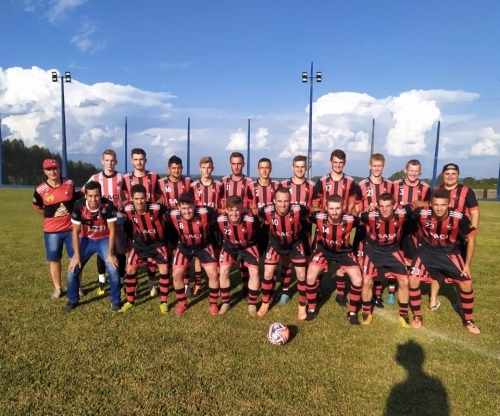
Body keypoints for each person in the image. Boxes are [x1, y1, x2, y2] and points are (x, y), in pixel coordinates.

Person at [409, 188, 480, 334]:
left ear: (449, 204)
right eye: (436, 205)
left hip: (450, 253)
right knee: (413, 280)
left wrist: (467, 264)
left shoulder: (459, 216)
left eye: (443, 205)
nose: (439, 208)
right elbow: (407, 211)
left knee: (466, 284)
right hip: (426, 252)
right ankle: (417, 316)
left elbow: (471, 238)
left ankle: (469, 320)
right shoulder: (422, 213)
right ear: (430, 204)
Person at [428, 163, 480, 312]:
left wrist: (472, 233)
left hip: (460, 238)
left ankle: (460, 301)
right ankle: (433, 300)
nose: (450, 176)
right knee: (437, 270)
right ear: (442, 175)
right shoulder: (436, 190)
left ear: (458, 175)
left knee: (461, 270)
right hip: (440, 237)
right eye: (447, 174)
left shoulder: (466, 191)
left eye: (453, 174)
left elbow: (474, 212)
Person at [357, 193, 414, 327]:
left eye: (388, 206)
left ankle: (403, 314)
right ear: (377, 206)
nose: (384, 209)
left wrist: (425, 204)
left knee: (404, 281)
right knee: (366, 281)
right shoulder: (369, 216)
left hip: (393, 251)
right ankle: (366, 312)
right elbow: (356, 214)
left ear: (394, 206)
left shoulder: (402, 213)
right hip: (373, 251)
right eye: (381, 206)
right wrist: (365, 208)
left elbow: (414, 205)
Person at [62, 181, 120, 312]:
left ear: (101, 194)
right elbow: (75, 232)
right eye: (90, 196)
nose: (94, 199)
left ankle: (115, 301)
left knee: (113, 268)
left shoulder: (108, 205)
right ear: (86, 196)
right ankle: (72, 300)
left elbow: (112, 230)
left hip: (104, 238)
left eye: (97, 195)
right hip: (86, 239)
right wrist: (76, 257)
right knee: (72, 270)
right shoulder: (79, 206)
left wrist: (110, 254)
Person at [306, 195, 363, 324]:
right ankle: (311, 309)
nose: (334, 212)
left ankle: (352, 312)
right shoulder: (318, 216)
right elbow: (305, 218)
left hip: (344, 252)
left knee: (358, 279)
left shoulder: (351, 219)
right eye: (331, 208)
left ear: (343, 207)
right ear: (326, 207)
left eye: (338, 208)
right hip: (323, 251)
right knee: (310, 276)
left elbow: (366, 221)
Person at [312, 149, 357, 306]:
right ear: (330, 162)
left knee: (340, 261)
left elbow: (352, 204)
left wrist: (346, 217)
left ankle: (340, 294)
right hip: (324, 226)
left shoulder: (350, 181)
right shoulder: (322, 181)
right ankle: (317, 291)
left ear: (344, 163)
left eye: (341, 163)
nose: (338, 165)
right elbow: (315, 204)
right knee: (320, 259)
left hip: (342, 226)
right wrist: (324, 218)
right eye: (335, 162)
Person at [257, 186, 309, 319]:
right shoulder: (265, 211)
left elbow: (308, 217)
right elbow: (260, 217)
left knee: (302, 274)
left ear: (290, 201)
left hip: (295, 245)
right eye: (279, 201)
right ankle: (264, 303)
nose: (283, 205)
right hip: (275, 244)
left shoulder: (299, 210)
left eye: (286, 201)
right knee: (268, 273)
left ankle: (302, 307)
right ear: (274, 201)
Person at [119, 185, 170, 313]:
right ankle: (130, 301)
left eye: (142, 198)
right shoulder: (126, 209)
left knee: (164, 269)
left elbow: (171, 216)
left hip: (158, 244)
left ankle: (163, 302)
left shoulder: (157, 208)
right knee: (130, 269)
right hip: (139, 245)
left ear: (146, 197)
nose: (139, 201)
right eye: (136, 199)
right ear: (132, 198)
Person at [82, 149, 127, 295]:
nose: (110, 163)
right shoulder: (95, 178)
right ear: (102, 161)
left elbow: (128, 196)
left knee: (120, 251)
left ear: (116, 162)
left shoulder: (122, 178)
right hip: (100, 221)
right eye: (107, 160)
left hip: (117, 220)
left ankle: (121, 279)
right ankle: (102, 279)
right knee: (101, 250)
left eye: (112, 160)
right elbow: (83, 194)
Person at [33, 158, 79, 299]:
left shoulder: (69, 183)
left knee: (75, 258)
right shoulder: (40, 189)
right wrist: (50, 215)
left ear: (59, 169)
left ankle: (76, 287)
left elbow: (73, 201)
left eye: (55, 168)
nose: (52, 172)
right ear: (44, 171)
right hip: (52, 231)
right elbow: (36, 207)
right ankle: (58, 289)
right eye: (49, 169)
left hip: (71, 229)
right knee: (54, 259)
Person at [168, 192, 219, 315]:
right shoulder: (172, 214)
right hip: (184, 246)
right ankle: (182, 303)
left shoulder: (205, 211)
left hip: (204, 246)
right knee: (176, 274)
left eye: (189, 207)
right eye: (184, 208)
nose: (187, 211)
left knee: (213, 273)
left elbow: (217, 219)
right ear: (178, 207)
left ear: (194, 205)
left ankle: (213, 304)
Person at [354, 153, 393, 308]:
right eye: (374, 165)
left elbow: (394, 205)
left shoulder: (389, 185)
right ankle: (360, 294)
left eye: (379, 166)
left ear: (384, 166)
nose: (377, 168)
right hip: (364, 229)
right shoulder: (361, 184)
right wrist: (365, 208)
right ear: (369, 166)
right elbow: (356, 208)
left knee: (379, 264)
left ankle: (377, 295)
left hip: (382, 230)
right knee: (360, 261)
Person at [391, 159, 431, 306]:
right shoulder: (395, 184)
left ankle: (407, 291)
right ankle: (391, 291)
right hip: (396, 225)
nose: (413, 173)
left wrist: (418, 203)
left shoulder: (425, 187)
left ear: (419, 172)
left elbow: (430, 204)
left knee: (409, 259)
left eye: (416, 171)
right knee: (393, 257)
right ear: (405, 170)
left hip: (414, 227)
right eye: (411, 170)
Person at [122, 148, 161, 296]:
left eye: (141, 159)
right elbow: (124, 196)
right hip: (133, 220)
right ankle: (135, 281)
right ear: (132, 161)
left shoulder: (154, 176)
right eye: (136, 159)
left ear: (145, 160)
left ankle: (151, 282)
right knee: (132, 251)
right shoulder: (126, 178)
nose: (139, 162)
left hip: (150, 219)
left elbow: (158, 194)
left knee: (151, 252)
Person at [278, 155, 315, 305]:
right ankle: (285, 291)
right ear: (292, 167)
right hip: (287, 228)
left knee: (306, 260)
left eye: (302, 166)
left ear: (306, 168)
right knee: (286, 260)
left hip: (305, 228)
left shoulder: (312, 185)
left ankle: (307, 291)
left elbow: (316, 206)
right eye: (297, 166)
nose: (300, 169)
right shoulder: (284, 184)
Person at [218, 196, 261, 316]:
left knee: (254, 272)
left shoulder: (251, 219)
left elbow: (259, 231)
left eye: (237, 210)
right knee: (223, 271)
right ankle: (226, 302)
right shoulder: (220, 219)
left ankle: (252, 304)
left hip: (248, 246)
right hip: (229, 246)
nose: (234, 213)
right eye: (231, 210)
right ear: (226, 210)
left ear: (242, 209)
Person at [158, 155, 194, 297]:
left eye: (179, 168)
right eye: (174, 168)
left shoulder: (188, 181)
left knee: (184, 253)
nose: (176, 170)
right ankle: (167, 282)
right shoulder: (161, 182)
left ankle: (186, 284)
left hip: (183, 223)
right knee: (167, 252)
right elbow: (154, 197)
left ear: (182, 168)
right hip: (168, 223)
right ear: (169, 169)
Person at [221, 152, 254, 297]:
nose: (236, 167)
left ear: (243, 164)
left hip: (244, 223)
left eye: (239, 163)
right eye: (233, 164)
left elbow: (252, 204)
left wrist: (245, 213)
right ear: (230, 164)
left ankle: (246, 287)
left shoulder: (249, 182)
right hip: (228, 224)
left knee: (245, 256)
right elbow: (220, 202)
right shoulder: (223, 181)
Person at [191, 156, 224, 296]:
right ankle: (198, 284)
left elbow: (222, 204)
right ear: (199, 168)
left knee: (216, 253)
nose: (206, 170)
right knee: (199, 255)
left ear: (213, 168)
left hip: (215, 226)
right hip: (199, 225)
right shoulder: (193, 186)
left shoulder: (219, 185)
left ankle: (219, 282)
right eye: (204, 167)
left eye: (209, 167)